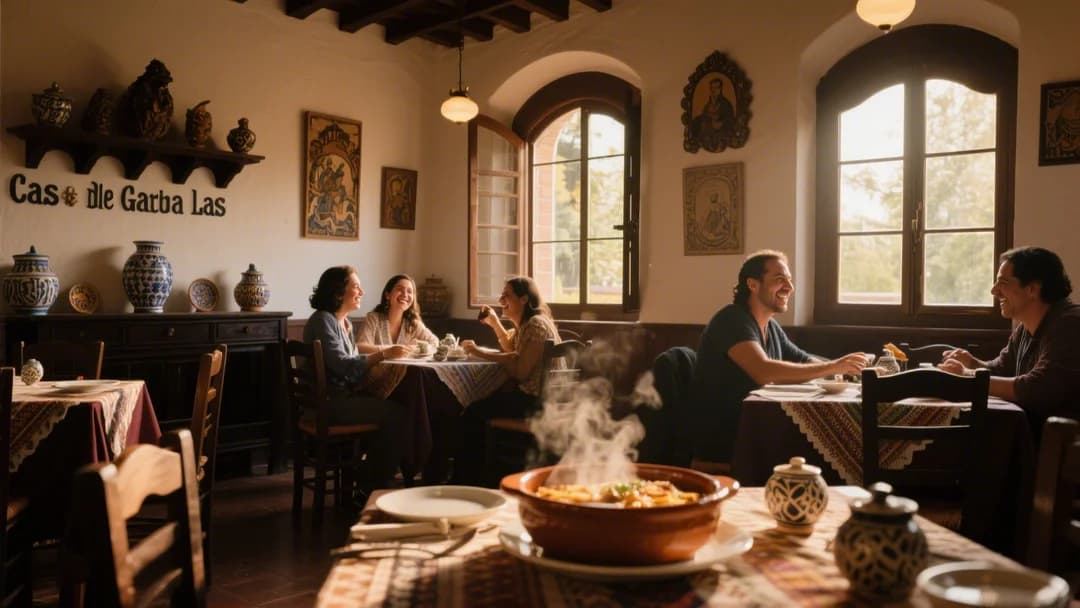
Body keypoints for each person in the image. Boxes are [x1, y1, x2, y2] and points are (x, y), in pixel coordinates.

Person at [689, 250, 868, 463]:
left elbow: (804, 360)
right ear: (753, 284)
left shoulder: (770, 326)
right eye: (780, 279)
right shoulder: (731, 320)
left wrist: (852, 369)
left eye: (789, 280)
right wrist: (833, 367)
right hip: (728, 440)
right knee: (827, 454)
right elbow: (764, 372)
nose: (789, 287)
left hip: (760, 429)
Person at [940, 247, 1080, 436]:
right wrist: (973, 363)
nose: (994, 290)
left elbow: (1037, 388)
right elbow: (1001, 369)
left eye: (1003, 282)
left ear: (1032, 289)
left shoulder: (1071, 324)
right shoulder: (1025, 328)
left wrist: (968, 376)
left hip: (1064, 443)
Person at [303, 266, 411, 488]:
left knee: (395, 403)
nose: (362, 292)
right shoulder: (322, 320)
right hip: (329, 403)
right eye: (356, 287)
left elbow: (352, 371)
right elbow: (343, 366)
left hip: (341, 398)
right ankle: (373, 484)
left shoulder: (345, 323)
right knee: (397, 415)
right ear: (338, 292)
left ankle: (368, 477)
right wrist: (383, 355)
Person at [452, 276, 560, 485]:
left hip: (536, 403)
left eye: (506, 295)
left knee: (472, 412)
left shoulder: (536, 325)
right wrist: (494, 323)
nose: (501, 300)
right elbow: (512, 350)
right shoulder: (529, 324)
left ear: (524, 299)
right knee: (478, 407)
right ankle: (475, 476)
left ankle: (469, 479)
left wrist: (478, 352)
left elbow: (520, 372)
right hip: (538, 400)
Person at [355, 273, 439, 396]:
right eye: (400, 289)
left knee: (424, 376)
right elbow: (360, 347)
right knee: (418, 377)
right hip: (375, 380)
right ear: (387, 295)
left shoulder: (413, 324)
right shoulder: (373, 318)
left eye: (410, 291)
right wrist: (390, 350)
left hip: (404, 379)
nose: (405, 294)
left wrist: (418, 347)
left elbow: (435, 343)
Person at [691, 76, 736, 149]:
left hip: (719, 133)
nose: (713, 90)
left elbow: (730, 120)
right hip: (707, 133)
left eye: (716, 87)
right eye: (712, 88)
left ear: (720, 89)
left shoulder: (726, 104)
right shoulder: (707, 105)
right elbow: (704, 116)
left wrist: (721, 123)